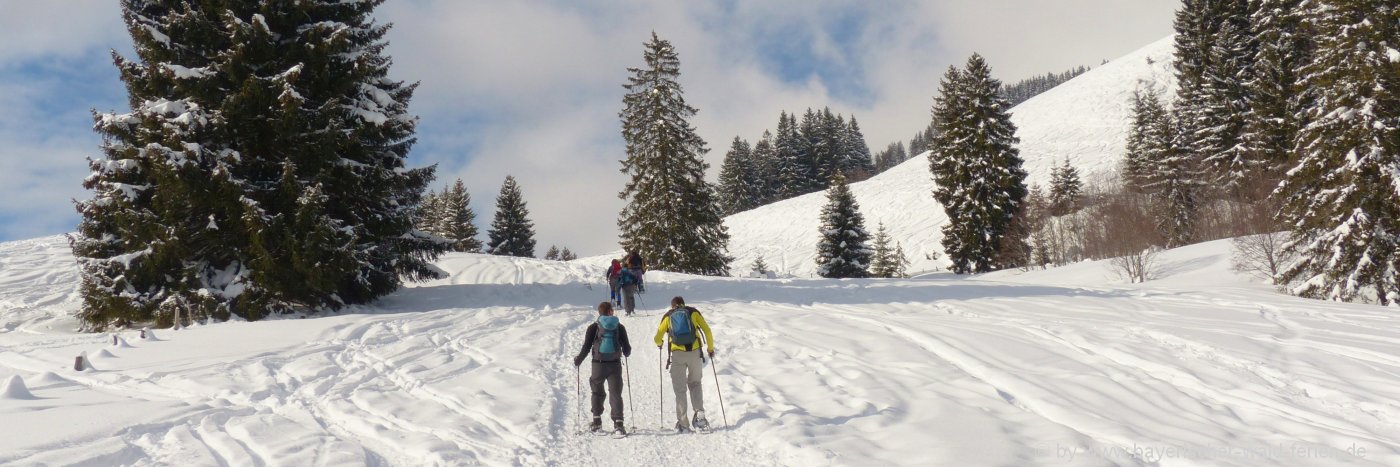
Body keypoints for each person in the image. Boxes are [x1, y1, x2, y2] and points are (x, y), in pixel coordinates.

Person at [654, 296, 715, 432]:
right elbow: (707, 331)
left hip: (677, 356)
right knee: (695, 383)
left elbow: (657, 337)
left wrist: (660, 344)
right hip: (694, 354)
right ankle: (700, 416)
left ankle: (683, 423)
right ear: (683, 304)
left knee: (680, 389)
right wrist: (710, 349)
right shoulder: (693, 312)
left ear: (673, 306)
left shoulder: (668, 316)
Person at [574, 302, 633, 434]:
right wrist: (625, 352)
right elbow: (627, 350)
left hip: (598, 365)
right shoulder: (619, 327)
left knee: (596, 392)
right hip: (615, 365)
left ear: (599, 312)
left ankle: (597, 422)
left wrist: (579, 360)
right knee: (616, 393)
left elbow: (587, 347)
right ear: (611, 311)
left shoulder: (594, 327)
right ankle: (618, 424)